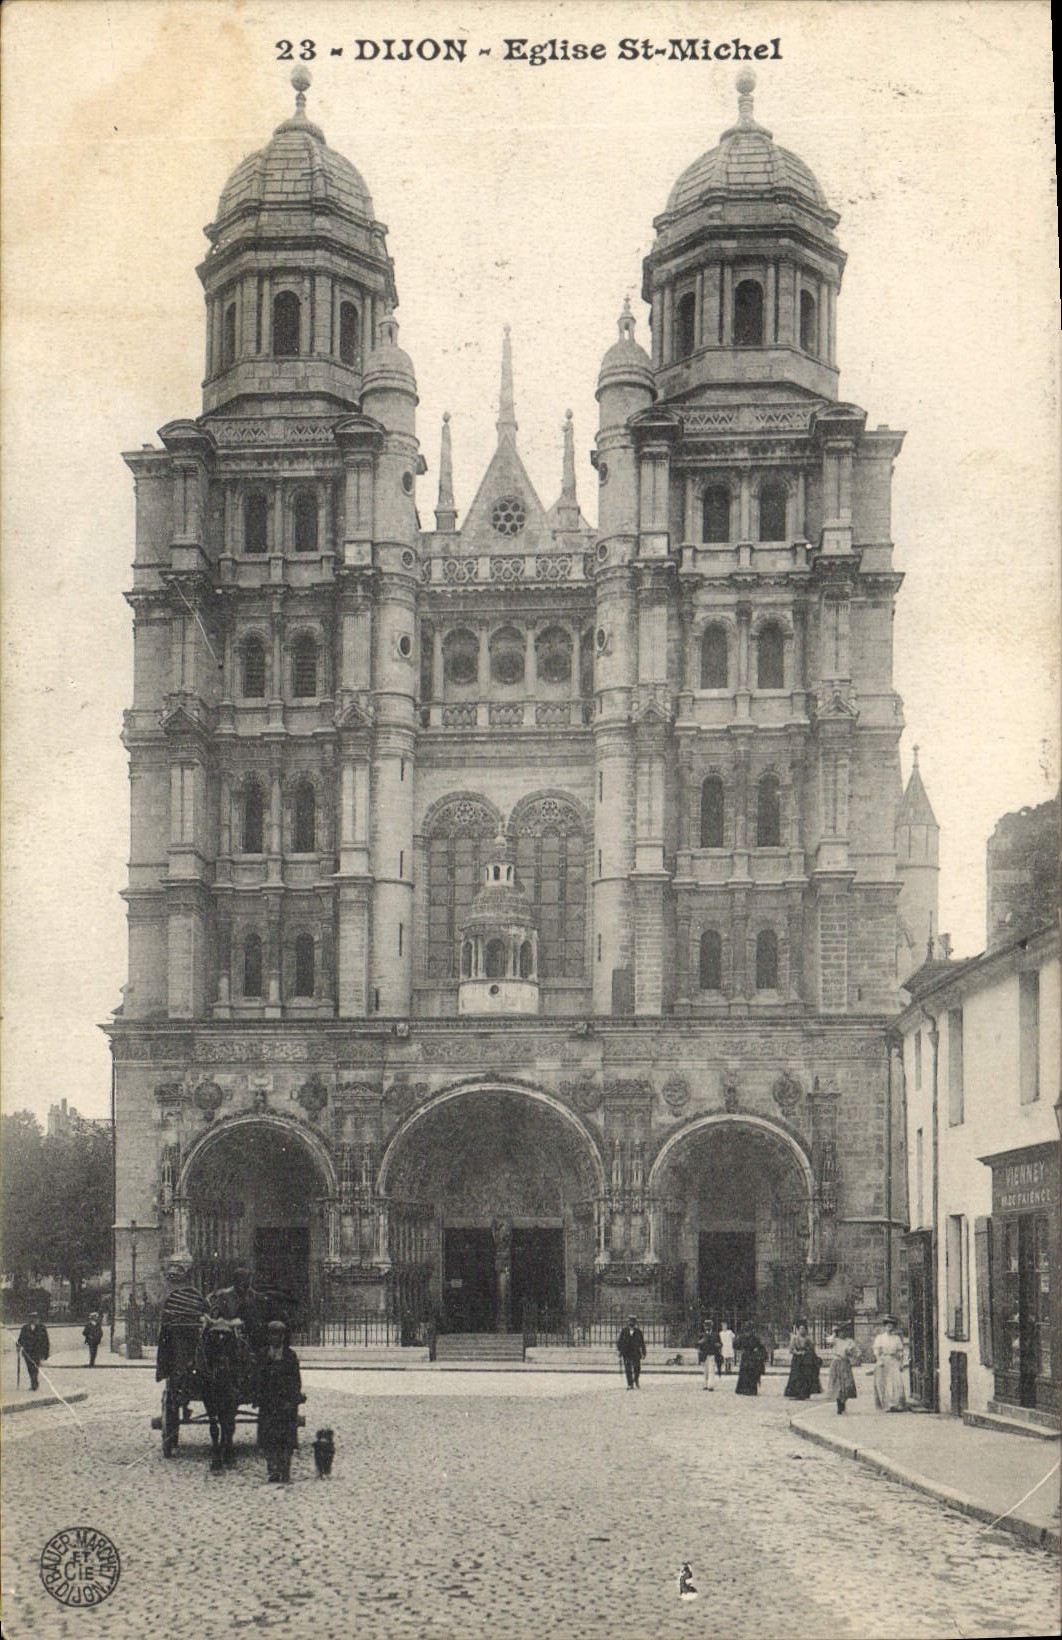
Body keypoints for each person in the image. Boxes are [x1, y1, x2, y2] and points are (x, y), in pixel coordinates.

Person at [256, 1319, 303, 1482]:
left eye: (279, 1334)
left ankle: (285, 1468)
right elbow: (258, 1378)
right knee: (268, 1438)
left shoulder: (290, 1356)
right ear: (268, 1336)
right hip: (268, 1402)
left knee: (286, 1438)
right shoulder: (263, 1354)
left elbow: (296, 1380)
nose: (275, 1338)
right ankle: (272, 1469)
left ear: (283, 1337)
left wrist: (294, 1398)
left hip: (285, 1403)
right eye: (272, 1334)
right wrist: (258, 1396)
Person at [209, 1266, 270, 1352]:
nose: (243, 1286)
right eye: (239, 1282)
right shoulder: (224, 1295)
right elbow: (215, 1313)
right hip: (228, 1329)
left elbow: (257, 1316)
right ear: (234, 1282)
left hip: (248, 1331)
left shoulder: (252, 1295)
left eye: (245, 1283)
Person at [872, 1315, 908, 1411]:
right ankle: (887, 1404)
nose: (889, 1327)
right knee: (884, 1382)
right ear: (885, 1326)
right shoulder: (880, 1338)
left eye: (891, 1325)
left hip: (893, 1360)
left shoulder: (896, 1338)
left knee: (896, 1381)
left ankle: (896, 1404)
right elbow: (877, 1351)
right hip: (884, 1361)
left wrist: (900, 1360)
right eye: (888, 1325)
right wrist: (879, 1360)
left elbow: (900, 1351)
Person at [825, 1321, 861, 1414]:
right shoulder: (835, 1341)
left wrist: (851, 1354)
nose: (842, 1333)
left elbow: (857, 1353)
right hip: (836, 1363)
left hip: (845, 1363)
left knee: (846, 1385)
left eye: (844, 1331)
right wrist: (834, 1332)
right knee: (838, 1385)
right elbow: (828, 1340)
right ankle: (839, 1405)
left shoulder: (849, 1342)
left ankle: (843, 1402)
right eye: (840, 1331)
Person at [783, 1318, 821, 1401]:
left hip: (806, 1359)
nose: (802, 1330)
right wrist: (798, 1352)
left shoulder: (808, 1339)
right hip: (797, 1360)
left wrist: (807, 1351)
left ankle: (804, 1392)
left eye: (804, 1329)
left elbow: (812, 1348)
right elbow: (791, 1349)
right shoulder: (795, 1338)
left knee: (805, 1377)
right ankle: (795, 1392)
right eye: (801, 1329)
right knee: (796, 1376)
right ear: (798, 1329)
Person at [16, 1312, 50, 1391]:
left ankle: (34, 1384)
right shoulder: (25, 1328)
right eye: (31, 1318)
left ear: (38, 1319)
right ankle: (34, 1382)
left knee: (35, 1368)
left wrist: (46, 1354)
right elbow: (20, 1339)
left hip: (37, 1352)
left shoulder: (42, 1328)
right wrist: (18, 1345)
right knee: (29, 1368)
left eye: (35, 1318)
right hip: (27, 1352)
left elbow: (46, 1341)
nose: (33, 1320)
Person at [734, 1328, 768, 1396]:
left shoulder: (743, 1338)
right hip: (752, 1358)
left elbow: (735, 1345)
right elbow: (761, 1347)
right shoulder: (755, 1338)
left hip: (746, 1357)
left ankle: (743, 1389)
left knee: (745, 1373)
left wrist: (742, 1349)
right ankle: (751, 1389)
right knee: (751, 1374)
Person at [616, 1315, 646, 1389]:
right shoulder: (624, 1331)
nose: (631, 1322)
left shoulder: (638, 1332)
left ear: (635, 1322)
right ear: (628, 1322)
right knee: (628, 1369)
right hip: (626, 1353)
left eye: (633, 1321)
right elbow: (619, 1342)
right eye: (630, 1321)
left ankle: (636, 1380)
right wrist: (619, 1351)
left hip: (636, 1353)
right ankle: (630, 1384)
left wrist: (644, 1353)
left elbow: (642, 1343)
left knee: (637, 1368)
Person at [698, 1318, 722, 1391]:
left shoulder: (716, 1335)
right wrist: (700, 1343)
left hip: (712, 1354)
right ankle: (705, 1384)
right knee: (705, 1371)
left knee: (711, 1370)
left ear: (711, 1326)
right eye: (706, 1326)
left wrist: (718, 1345)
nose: (707, 1327)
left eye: (708, 1326)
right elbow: (698, 1345)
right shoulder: (702, 1335)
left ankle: (710, 1385)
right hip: (704, 1354)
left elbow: (720, 1344)